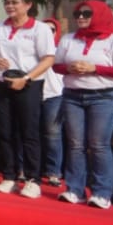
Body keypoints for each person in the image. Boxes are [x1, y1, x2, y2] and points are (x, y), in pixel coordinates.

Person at [53, 0, 113, 209]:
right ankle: (74, 189)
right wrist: (69, 67)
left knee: (98, 145)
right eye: (77, 13)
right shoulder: (69, 39)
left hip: (103, 97)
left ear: (99, 15)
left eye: (86, 14)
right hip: (73, 95)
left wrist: (94, 68)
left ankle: (102, 193)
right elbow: (56, 66)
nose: (80, 17)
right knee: (75, 144)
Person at [0, 0, 54, 198]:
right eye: (7, 2)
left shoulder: (39, 29)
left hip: (28, 84)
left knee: (29, 132)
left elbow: (49, 58)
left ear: (28, 5)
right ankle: (9, 176)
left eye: (15, 2)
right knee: (5, 131)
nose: (9, 6)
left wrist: (27, 78)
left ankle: (33, 179)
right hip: (2, 83)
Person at [40, 18, 65, 187]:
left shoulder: (61, 52)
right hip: (33, 95)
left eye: (52, 30)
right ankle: (31, 169)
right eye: (45, 29)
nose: (48, 32)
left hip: (55, 96)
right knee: (30, 134)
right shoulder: (33, 49)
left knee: (52, 134)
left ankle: (53, 172)